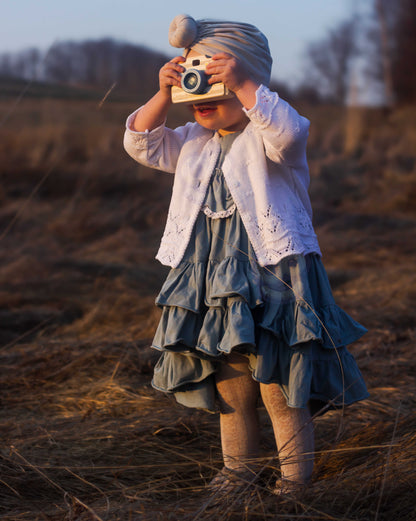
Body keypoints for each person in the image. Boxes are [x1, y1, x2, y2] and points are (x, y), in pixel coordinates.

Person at [123, 14, 369, 496]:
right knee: (231, 384)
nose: (206, 105)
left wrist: (245, 84)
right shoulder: (192, 142)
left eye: (219, 91)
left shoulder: (270, 138)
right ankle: (237, 471)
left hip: (274, 276)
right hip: (212, 282)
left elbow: (289, 132)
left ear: (245, 83)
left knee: (278, 385)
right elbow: (142, 145)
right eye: (197, 97)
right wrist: (162, 93)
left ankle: (295, 479)